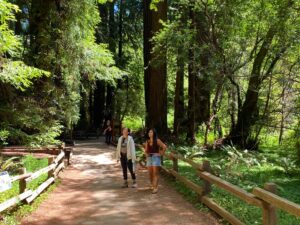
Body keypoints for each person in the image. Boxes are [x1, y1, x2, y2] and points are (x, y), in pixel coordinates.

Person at [144, 128, 167, 194]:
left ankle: (155, 188)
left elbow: (164, 146)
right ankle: (152, 184)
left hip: (155, 157)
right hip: (149, 158)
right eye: (149, 132)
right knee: (150, 173)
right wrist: (146, 156)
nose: (150, 133)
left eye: (151, 132)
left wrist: (161, 154)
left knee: (155, 173)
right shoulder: (147, 141)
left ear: (154, 133)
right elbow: (146, 150)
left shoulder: (157, 140)